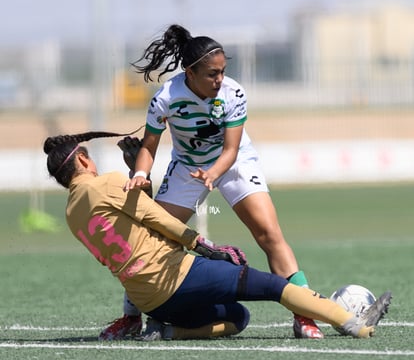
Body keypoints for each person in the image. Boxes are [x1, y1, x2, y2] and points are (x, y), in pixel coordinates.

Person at [43, 130, 391, 341]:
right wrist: (206, 248)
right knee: (274, 286)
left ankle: (164, 331)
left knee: (237, 318)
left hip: (150, 299)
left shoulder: (72, 215)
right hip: (176, 276)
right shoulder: (108, 182)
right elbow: (159, 219)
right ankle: (353, 324)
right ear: (85, 161)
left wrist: (139, 175)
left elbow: (133, 229)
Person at [110, 24, 324, 339]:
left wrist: (213, 173)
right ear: (189, 73)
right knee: (150, 240)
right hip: (187, 168)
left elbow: (231, 149)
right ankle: (130, 318)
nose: (219, 79)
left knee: (268, 233)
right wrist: (140, 174)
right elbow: (148, 147)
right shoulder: (165, 98)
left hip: (234, 163)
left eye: (222, 71)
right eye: (212, 73)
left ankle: (305, 316)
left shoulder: (233, 92)